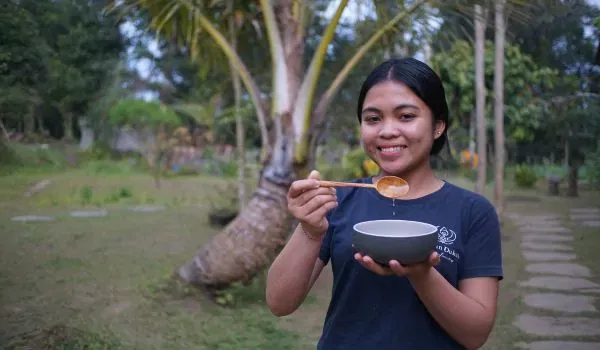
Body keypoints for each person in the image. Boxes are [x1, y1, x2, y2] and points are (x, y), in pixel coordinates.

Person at [265, 57, 503, 350]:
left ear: (438, 126)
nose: (387, 131)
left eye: (406, 116)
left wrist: (422, 273)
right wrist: (309, 231)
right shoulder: (338, 200)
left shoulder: (473, 212)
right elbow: (279, 303)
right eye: (373, 119)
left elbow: (475, 334)